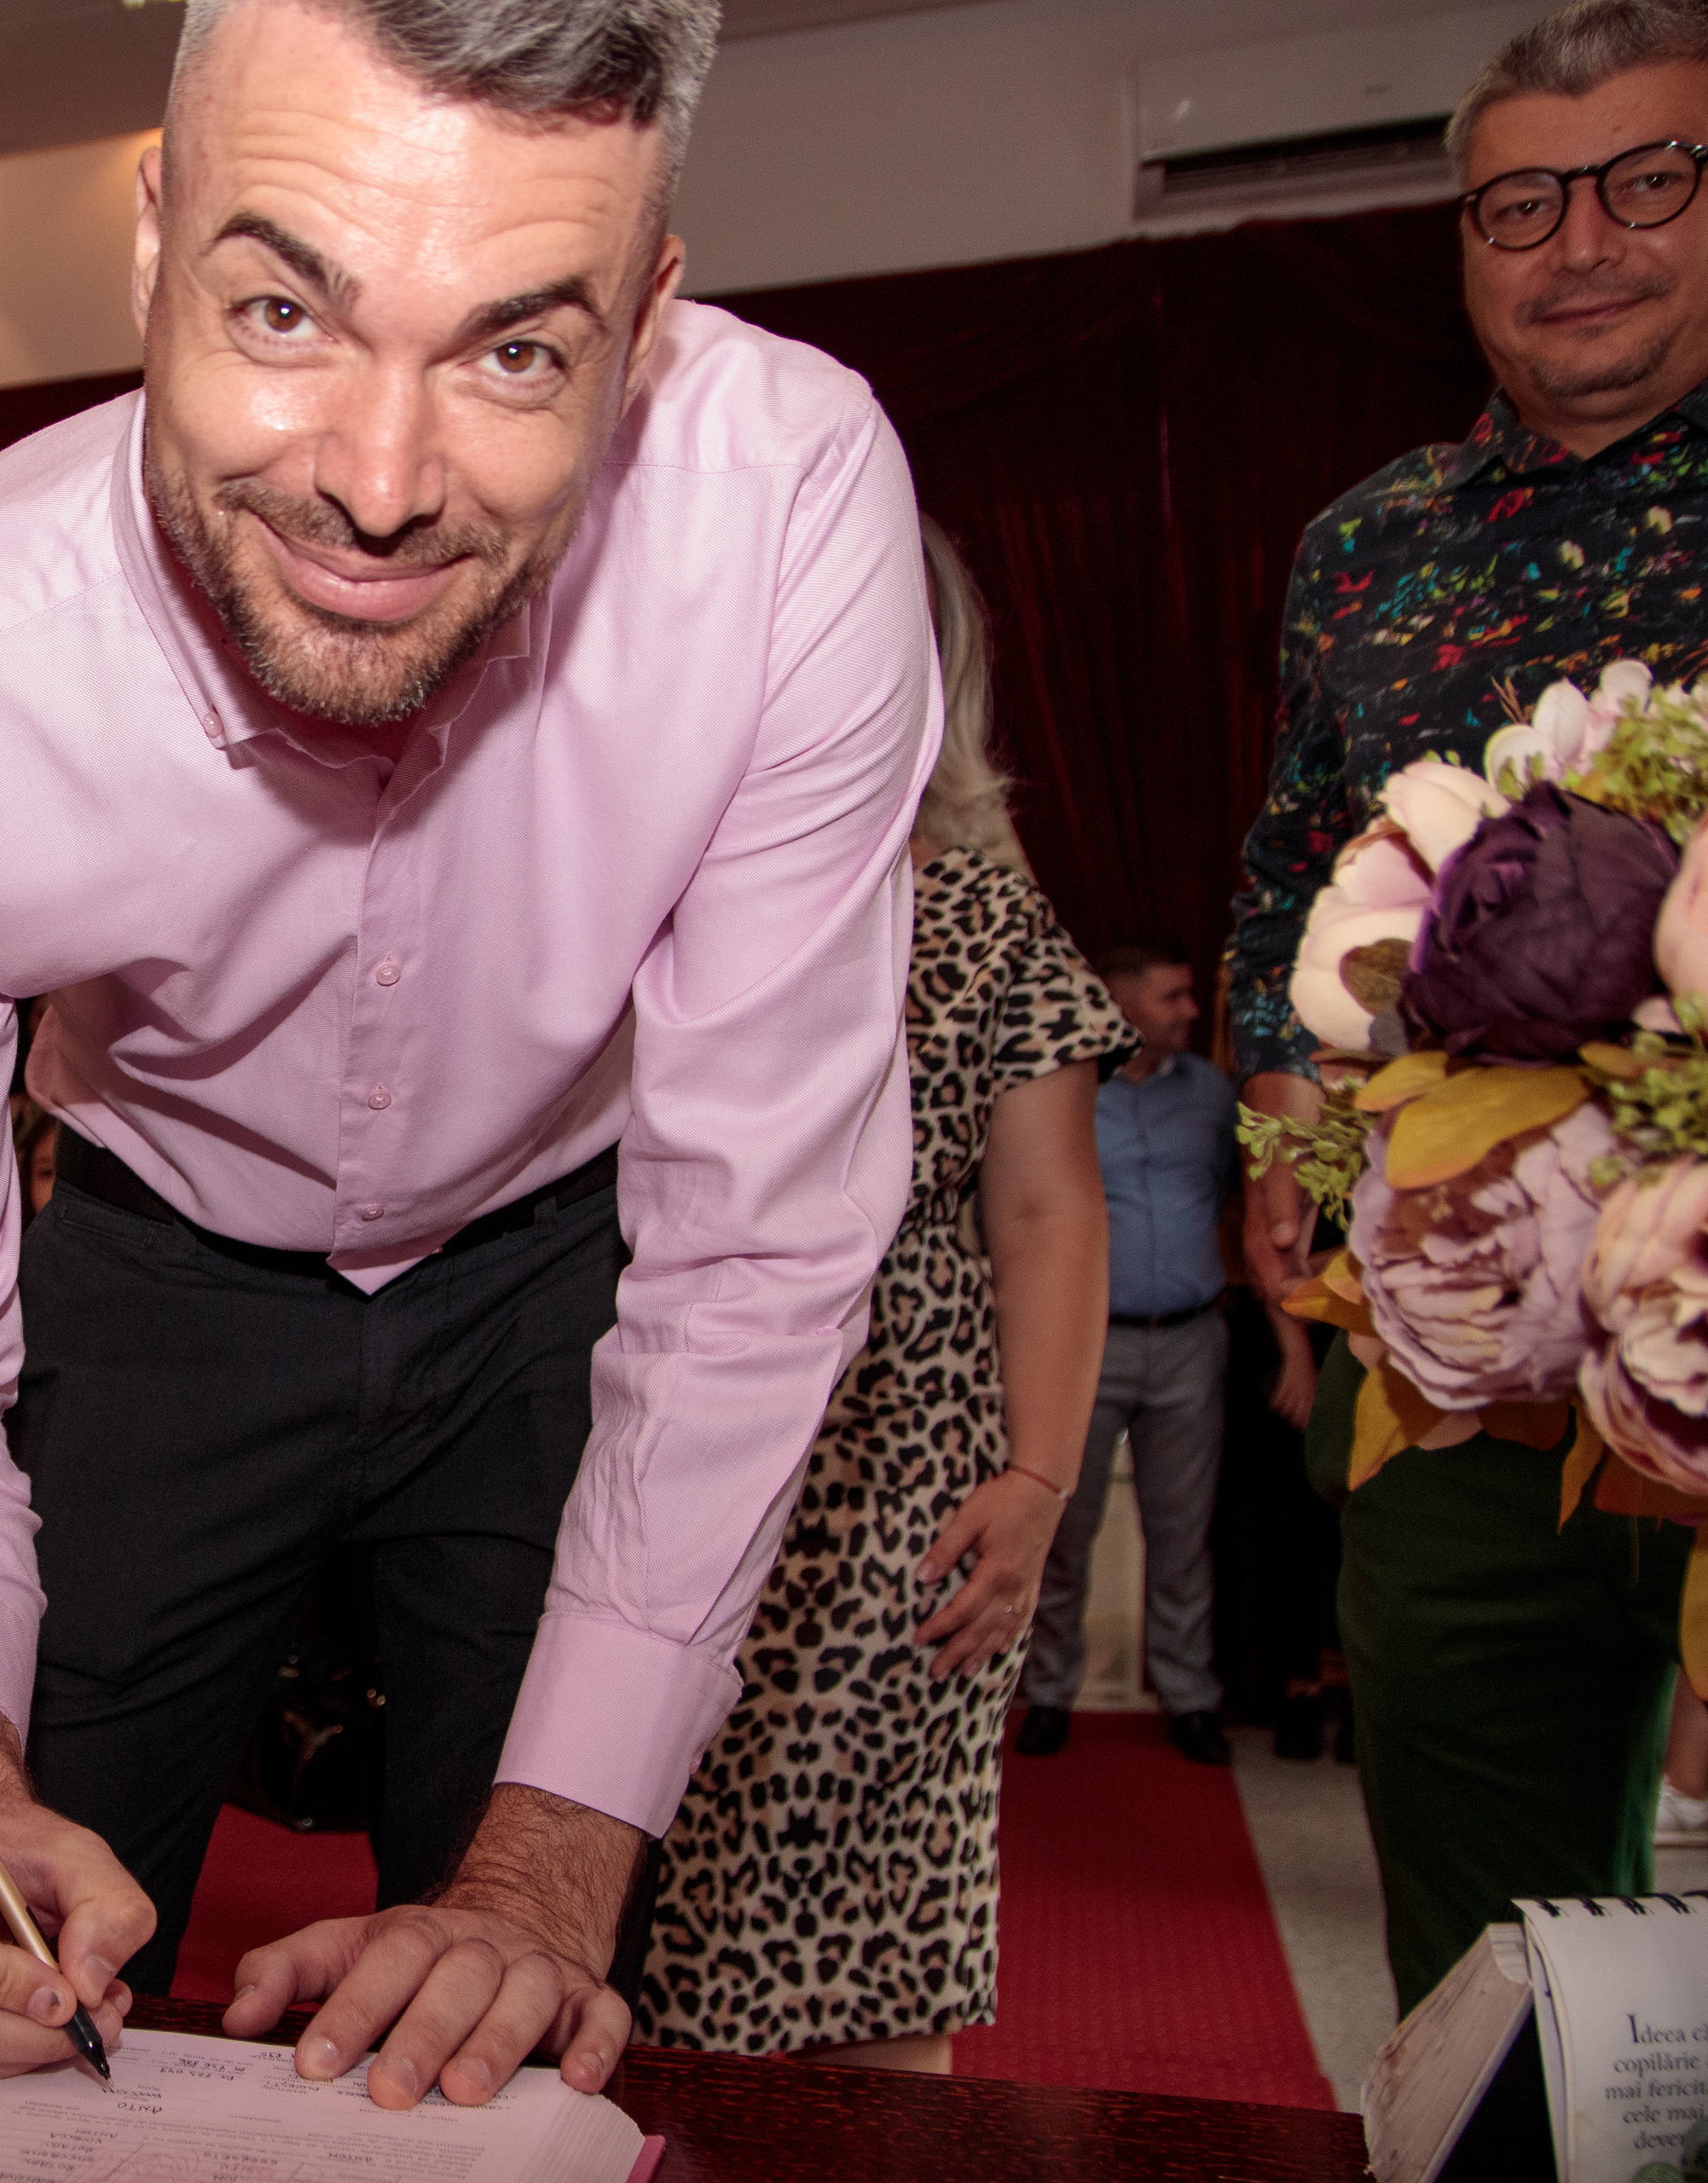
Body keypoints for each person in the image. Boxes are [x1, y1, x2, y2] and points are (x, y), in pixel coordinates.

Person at [0, 0, 933, 2106]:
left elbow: (757, 1241)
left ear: (647, 321)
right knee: (7, 1969)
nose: (377, 492)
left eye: (519, 352)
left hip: (561, 1274)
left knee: (517, 2027)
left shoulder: (784, 503)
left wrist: (549, 1871)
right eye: (283, 309)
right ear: (153, 240)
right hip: (155, 1271)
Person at [1229, 0, 1708, 2032]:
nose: (1578, 241)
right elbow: (1286, 877)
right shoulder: (1367, 547)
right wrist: (1277, 1127)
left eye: (1645, 181)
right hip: (1455, 1347)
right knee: (1494, 1961)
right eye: (1521, 202)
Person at [636, 526, 1124, 2070]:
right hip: (644, 1453)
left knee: (879, 1950)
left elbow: (1048, 1212)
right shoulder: (624, 891)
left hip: (898, 1491)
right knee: (597, 1921)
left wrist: (1039, 1479)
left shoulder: (980, 908)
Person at [1014, 936, 1236, 1767]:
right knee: (1065, 1529)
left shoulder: (1212, 1093)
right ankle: (1048, 1692)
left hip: (1189, 1342)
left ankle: (1190, 1696)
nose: (1190, 1011)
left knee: (1182, 1534)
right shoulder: (1068, 1092)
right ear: (1124, 1003)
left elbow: (1232, 1193)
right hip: (1088, 1347)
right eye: (1173, 996)